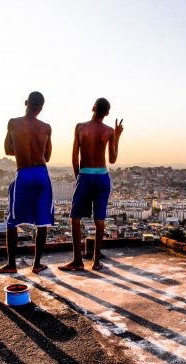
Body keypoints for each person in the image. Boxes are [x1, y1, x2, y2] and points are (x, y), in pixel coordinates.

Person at [59, 97, 123, 272]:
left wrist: (78, 177)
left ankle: (78, 260)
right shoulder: (109, 131)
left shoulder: (80, 127)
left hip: (85, 175)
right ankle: (96, 261)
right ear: (107, 113)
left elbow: (74, 157)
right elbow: (112, 159)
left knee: (75, 218)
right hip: (102, 177)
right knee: (99, 219)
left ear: (93, 108)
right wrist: (116, 136)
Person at [0, 91, 54, 274]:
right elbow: (48, 156)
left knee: (12, 222)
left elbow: (7, 149)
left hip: (24, 173)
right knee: (42, 222)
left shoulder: (13, 123)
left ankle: (12, 265)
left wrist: (21, 151)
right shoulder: (46, 127)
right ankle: (37, 265)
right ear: (41, 108)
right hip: (42, 174)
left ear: (26, 102)